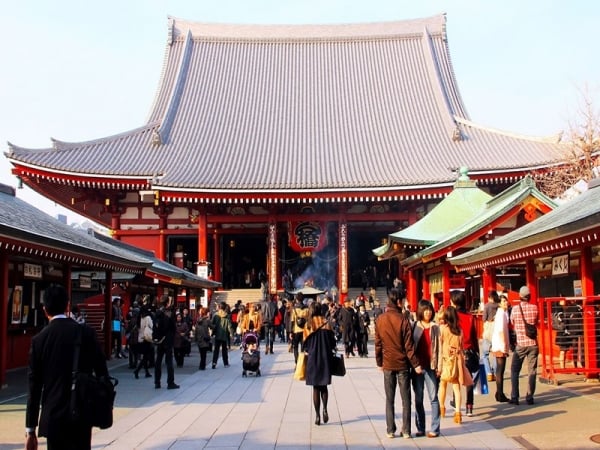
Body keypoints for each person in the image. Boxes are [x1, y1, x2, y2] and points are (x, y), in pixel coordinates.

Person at [25, 284, 109, 450]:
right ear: (67, 305)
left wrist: (30, 429)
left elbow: (34, 388)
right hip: (81, 410)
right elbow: (102, 374)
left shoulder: (39, 340)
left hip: (53, 414)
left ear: (45, 310)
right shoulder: (86, 333)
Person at [375, 289, 422, 439]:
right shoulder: (403, 320)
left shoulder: (380, 319)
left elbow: (378, 344)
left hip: (388, 363)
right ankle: (406, 429)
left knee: (389, 398)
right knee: (405, 398)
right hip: (402, 364)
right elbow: (409, 346)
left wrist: (379, 362)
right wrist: (415, 364)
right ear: (399, 302)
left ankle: (390, 429)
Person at [437, 305, 473, 425]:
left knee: (443, 384)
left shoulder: (443, 329)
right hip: (457, 361)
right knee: (456, 387)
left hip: (446, 360)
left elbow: (440, 346)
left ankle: (441, 408)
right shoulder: (460, 331)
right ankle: (458, 413)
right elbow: (462, 347)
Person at [411, 300, 441, 438]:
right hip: (418, 367)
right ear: (420, 311)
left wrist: (439, 366)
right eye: (425, 309)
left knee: (433, 397)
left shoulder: (435, 327)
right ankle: (421, 427)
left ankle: (435, 428)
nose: (428, 312)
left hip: (431, 366)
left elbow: (440, 349)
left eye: (430, 309)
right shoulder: (414, 327)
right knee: (418, 398)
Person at [303, 302, 337, 426]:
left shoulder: (308, 325)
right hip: (325, 357)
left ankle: (317, 415)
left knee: (316, 387)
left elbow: (305, 346)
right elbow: (333, 343)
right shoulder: (327, 324)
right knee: (324, 386)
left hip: (313, 358)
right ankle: (325, 409)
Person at [449, 290, 478, 417]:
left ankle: (456, 402)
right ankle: (469, 406)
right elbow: (474, 336)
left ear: (454, 302)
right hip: (469, 350)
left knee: (456, 378)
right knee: (469, 379)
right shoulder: (470, 317)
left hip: (456, 351)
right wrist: (477, 350)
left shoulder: (452, 317)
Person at [510, 285, 539, 405]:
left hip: (521, 343)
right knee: (532, 370)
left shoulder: (515, 309)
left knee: (514, 370)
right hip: (533, 343)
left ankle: (515, 396)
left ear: (520, 296)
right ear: (529, 296)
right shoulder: (535, 308)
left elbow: (512, 322)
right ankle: (530, 396)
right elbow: (536, 321)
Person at [153, 295, 179, 390]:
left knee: (158, 361)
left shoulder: (157, 312)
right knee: (169, 362)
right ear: (168, 302)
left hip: (159, 340)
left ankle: (157, 382)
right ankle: (170, 382)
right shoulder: (169, 313)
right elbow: (173, 327)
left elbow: (155, 327)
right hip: (167, 340)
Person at [490, 294, 510, 402]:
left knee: (499, 369)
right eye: (503, 301)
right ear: (499, 303)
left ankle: (499, 392)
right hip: (500, 344)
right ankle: (500, 393)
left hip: (498, 343)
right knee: (500, 370)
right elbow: (501, 330)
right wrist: (505, 345)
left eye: (506, 301)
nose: (505, 303)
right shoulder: (501, 314)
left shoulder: (502, 313)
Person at [482, 290, 500, 382]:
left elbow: (484, 318)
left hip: (489, 331)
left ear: (490, 297)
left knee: (485, 354)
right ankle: (496, 372)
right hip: (497, 331)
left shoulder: (487, 306)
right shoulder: (499, 306)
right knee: (495, 354)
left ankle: (489, 373)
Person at [211, 302, 234, 369]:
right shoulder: (227, 316)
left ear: (219, 307)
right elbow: (229, 326)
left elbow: (212, 325)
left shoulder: (216, 315)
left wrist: (213, 331)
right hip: (224, 335)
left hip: (217, 335)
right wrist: (232, 334)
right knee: (224, 350)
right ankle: (226, 363)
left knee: (216, 350)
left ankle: (214, 363)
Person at [134, 306, 154, 379]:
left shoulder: (139, 318)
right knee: (146, 356)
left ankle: (146, 372)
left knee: (145, 356)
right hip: (146, 338)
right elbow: (151, 326)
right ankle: (137, 370)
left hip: (140, 338)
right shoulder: (148, 318)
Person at [290, 293, 308, 364]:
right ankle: (302, 362)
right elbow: (308, 319)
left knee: (295, 347)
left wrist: (291, 332)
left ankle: (297, 362)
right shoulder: (306, 308)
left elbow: (292, 321)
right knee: (303, 348)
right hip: (304, 330)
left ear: (297, 299)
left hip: (296, 330)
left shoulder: (294, 309)